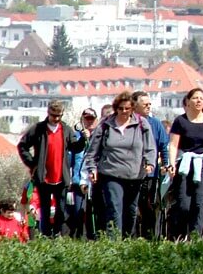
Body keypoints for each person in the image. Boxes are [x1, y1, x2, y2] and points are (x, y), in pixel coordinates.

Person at [84, 91, 156, 237]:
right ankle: (113, 243)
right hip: (111, 173)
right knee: (114, 209)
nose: (124, 111)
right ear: (116, 108)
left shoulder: (142, 124)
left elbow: (150, 147)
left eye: (127, 109)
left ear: (132, 109)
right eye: (121, 108)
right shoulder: (105, 125)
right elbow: (92, 150)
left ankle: (127, 241)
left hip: (134, 175)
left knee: (130, 211)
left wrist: (149, 163)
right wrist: (92, 168)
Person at [16, 99, 87, 237]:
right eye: (53, 115)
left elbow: (75, 148)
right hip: (44, 176)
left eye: (59, 115)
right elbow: (22, 146)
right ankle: (46, 235)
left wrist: (83, 140)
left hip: (61, 176)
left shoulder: (66, 129)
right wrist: (32, 163)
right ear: (48, 113)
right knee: (45, 208)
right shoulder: (38, 129)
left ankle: (58, 234)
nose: (56, 118)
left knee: (61, 209)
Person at [166, 88, 203, 240]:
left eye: (201, 98)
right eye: (195, 98)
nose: (199, 100)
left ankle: (196, 238)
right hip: (185, 164)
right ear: (188, 101)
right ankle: (180, 236)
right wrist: (171, 164)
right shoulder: (180, 121)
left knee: (200, 203)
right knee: (184, 204)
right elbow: (173, 145)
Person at [132, 91, 170, 239]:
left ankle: (150, 237)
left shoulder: (155, 124)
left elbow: (163, 145)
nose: (148, 106)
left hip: (150, 174)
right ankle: (132, 236)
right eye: (145, 104)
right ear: (135, 106)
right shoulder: (130, 122)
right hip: (132, 173)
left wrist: (166, 164)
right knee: (133, 207)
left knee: (148, 206)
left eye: (149, 104)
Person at [68, 107, 99, 239]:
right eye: (86, 119)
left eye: (91, 119)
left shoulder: (100, 136)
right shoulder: (76, 136)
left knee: (94, 212)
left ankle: (94, 238)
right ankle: (77, 240)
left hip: (95, 180)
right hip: (77, 181)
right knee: (77, 213)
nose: (89, 122)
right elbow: (69, 157)